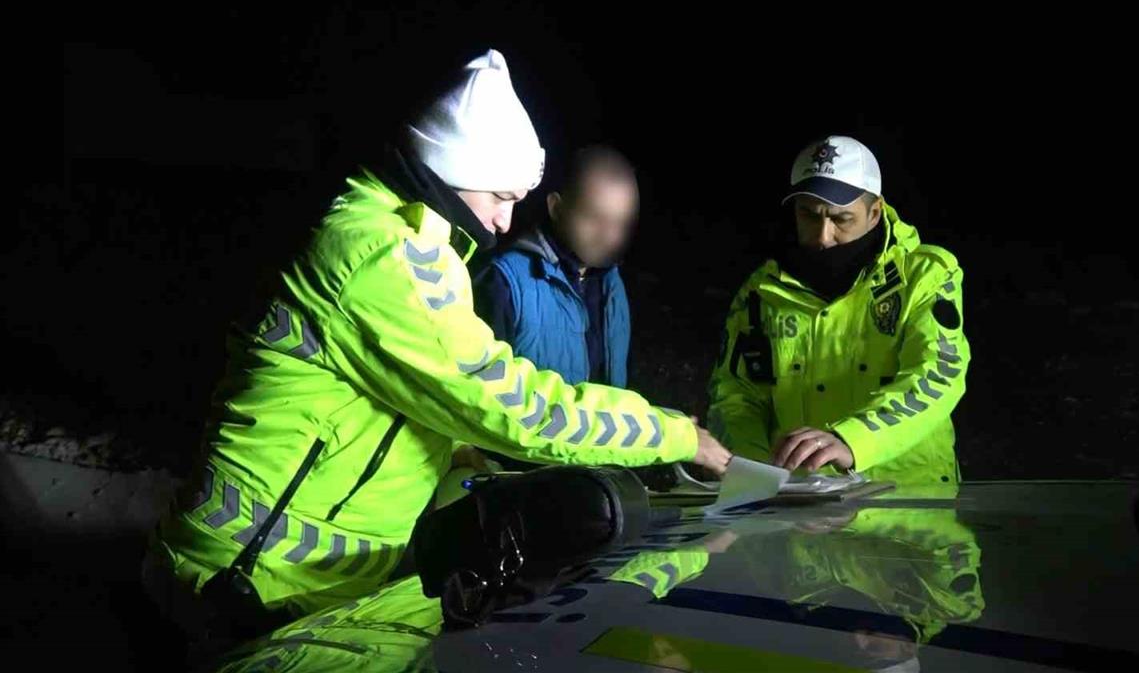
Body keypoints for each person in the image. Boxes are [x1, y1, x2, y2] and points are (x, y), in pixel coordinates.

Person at [142, 50, 731, 652]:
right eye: (500, 196)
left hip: (305, 582)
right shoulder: (386, 257)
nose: (505, 222)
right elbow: (521, 409)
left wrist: (456, 448)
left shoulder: (404, 238)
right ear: (454, 171)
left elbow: (386, 399)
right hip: (244, 584)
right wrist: (673, 434)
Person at [707, 135, 968, 486]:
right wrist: (755, 473)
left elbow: (938, 374)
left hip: (908, 499)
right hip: (799, 501)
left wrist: (853, 440)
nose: (823, 236)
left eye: (841, 218)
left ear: (874, 212)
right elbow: (736, 395)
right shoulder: (760, 292)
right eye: (808, 215)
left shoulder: (925, 275)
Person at [474, 144, 639, 388]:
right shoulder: (503, 281)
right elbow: (481, 389)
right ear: (556, 207)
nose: (611, 237)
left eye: (621, 224)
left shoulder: (612, 282)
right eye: (595, 218)